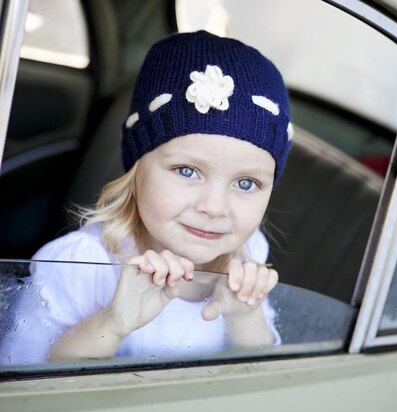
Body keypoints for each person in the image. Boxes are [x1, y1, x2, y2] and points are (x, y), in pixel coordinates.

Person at [0, 30, 292, 365]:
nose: (214, 207)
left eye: (245, 183)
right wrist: (112, 323)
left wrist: (245, 316)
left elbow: (260, 372)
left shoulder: (247, 252)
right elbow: (20, 374)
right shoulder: (82, 264)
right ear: (137, 169)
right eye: (186, 171)